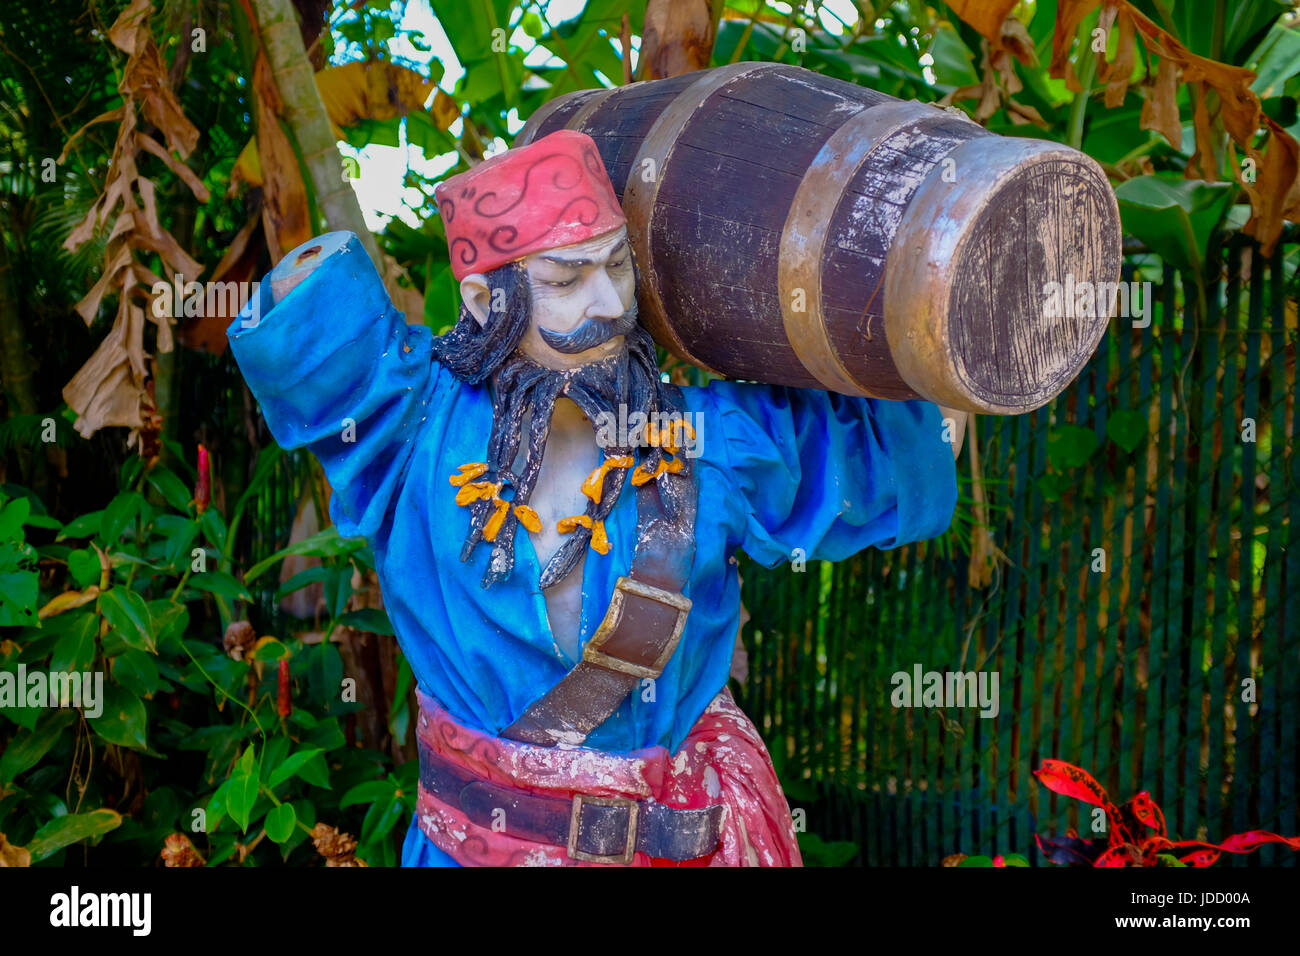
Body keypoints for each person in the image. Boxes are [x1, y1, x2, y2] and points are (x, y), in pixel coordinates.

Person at [228, 129, 960, 866]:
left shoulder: (712, 441)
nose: (609, 304)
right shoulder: (411, 427)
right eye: (566, 279)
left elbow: (899, 447)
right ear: (483, 300)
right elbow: (310, 334)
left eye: (616, 266)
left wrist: (954, 307)